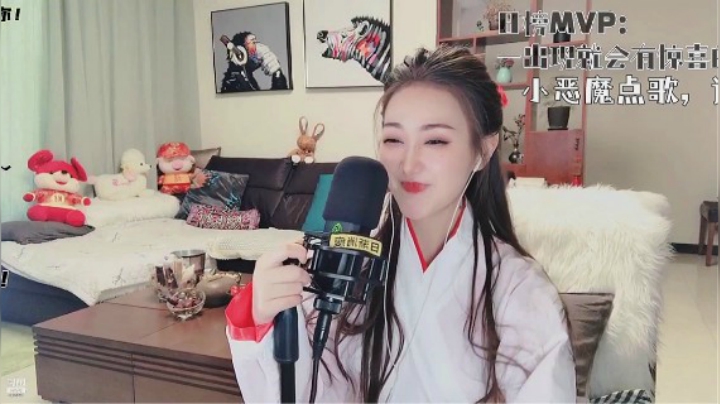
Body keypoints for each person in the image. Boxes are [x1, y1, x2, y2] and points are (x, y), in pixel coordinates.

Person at [225, 45, 577, 403]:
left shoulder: (518, 289)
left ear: (483, 151)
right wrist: (263, 313)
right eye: (394, 139)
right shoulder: (353, 270)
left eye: (435, 140)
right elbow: (314, 390)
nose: (408, 164)